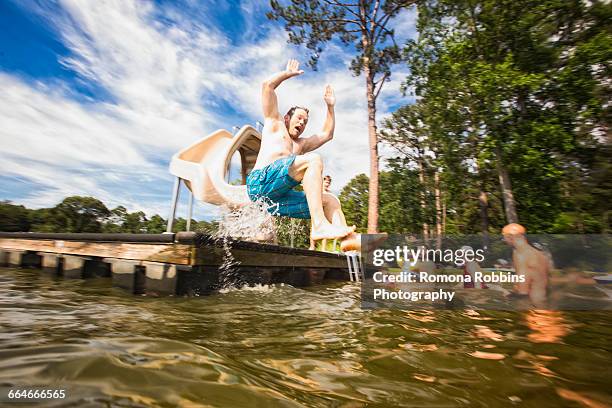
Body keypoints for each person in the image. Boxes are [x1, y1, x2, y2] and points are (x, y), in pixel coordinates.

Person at [246, 59, 355, 241]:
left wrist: (330, 107)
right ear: (287, 117)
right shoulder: (275, 122)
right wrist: (286, 74)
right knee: (314, 160)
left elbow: (327, 134)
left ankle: (348, 241)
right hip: (259, 183)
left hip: (274, 200)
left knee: (329, 200)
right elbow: (267, 86)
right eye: (299, 118)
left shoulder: (301, 145)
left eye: (305, 122)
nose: (302, 123)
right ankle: (319, 226)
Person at [502, 223, 549, 306]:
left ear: (510, 237)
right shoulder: (538, 253)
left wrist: (507, 294)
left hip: (534, 311)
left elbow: (522, 291)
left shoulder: (521, 254)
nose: (504, 241)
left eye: (504, 237)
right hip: (543, 305)